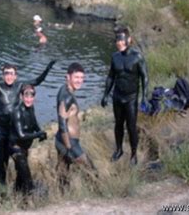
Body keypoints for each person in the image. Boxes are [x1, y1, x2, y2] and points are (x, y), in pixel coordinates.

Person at [0, 59, 56, 185]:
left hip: (13, 129)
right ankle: (0, 187)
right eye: (6, 73)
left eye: (11, 73)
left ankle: (20, 185)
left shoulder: (20, 85)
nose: (9, 76)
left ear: (15, 76)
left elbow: (37, 81)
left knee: (18, 157)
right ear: (3, 75)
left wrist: (47, 69)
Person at [101, 27, 148, 166]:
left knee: (131, 126)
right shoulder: (115, 57)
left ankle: (133, 154)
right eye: (117, 40)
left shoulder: (137, 56)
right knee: (118, 125)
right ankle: (119, 149)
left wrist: (144, 97)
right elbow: (111, 77)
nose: (119, 42)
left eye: (121, 39)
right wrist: (105, 94)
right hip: (117, 96)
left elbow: (144, 77)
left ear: (129, 40)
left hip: (131, 97)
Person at [55, 62, 94, 182]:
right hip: (68, 142)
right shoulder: (66, 97)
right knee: (91, 171)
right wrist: (68, 147)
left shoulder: (64, 89)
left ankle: (62, 199)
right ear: (68, 77)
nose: (79, 80)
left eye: (82, 77)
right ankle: (99, 197)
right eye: (76, 77)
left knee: (63, 176)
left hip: (63, 140)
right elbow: (62, 124)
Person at [9, 84, 47, 194]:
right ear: (21, 96)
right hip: (15, 148)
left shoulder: (31, 108)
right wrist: (38, 135)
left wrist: (41, 132)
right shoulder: (16, 112)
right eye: (26, 96)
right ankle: (31, 202)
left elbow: (34, 123)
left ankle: (16, 198)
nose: (29, 99)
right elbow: (21, 135)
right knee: (27, 178)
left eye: (31, 97)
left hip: (24, 148)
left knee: (21, 177)